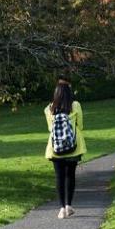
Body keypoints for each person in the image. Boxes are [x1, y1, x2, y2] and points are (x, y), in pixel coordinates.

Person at [44, 77, 87, 219]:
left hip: (55, 148)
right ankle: (69, 205)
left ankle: (61, 208)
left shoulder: (49, 108)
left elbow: (51, 128)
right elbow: (80, 126)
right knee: (70, 175)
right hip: (73, 147)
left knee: (59, 177)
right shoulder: (75, 105)